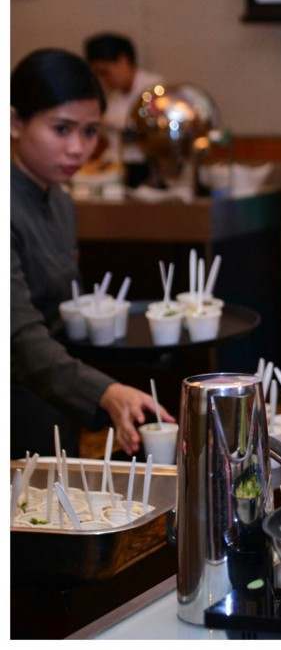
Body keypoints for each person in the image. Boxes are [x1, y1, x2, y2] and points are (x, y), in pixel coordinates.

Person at [11, 48, 173, 458]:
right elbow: (18, 336)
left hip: (52, 390)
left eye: (89, 132)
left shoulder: (60, 199)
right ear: (15, 122)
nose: (78, 149)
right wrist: (104, 391)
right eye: (61, 129)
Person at [83, 33, 163, 187]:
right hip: (116, 169)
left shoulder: (155, 88)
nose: (102, 80)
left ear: (123, 61)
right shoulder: (113, 96)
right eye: (97, 74)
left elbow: (149, 128)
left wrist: (105, 121)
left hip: (146, 171)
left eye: (105, 72)